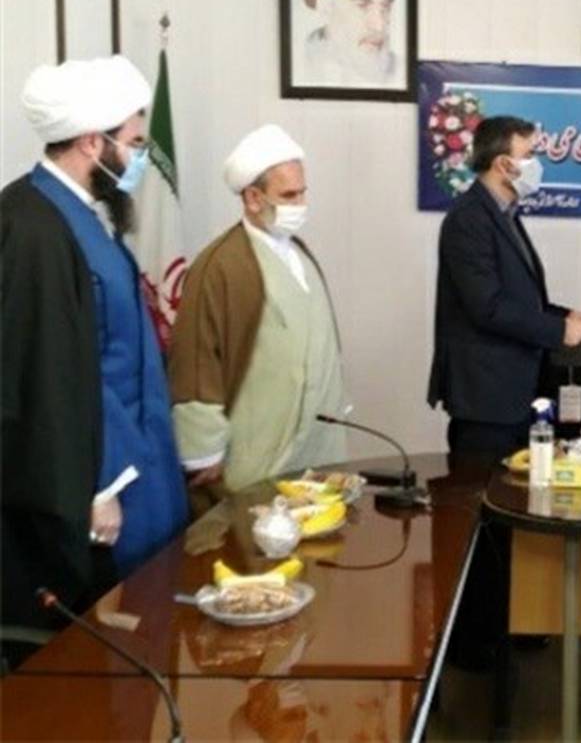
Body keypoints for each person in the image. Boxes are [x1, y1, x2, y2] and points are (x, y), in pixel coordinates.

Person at [2, 56, 188, 647]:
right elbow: (41, 375)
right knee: (103, 664)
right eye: (133, 143)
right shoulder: (31, 226)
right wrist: (93, 487)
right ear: (91, 142)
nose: (140, 158)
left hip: (137, 461)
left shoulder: (82, 213)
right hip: (96, 487)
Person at [170, 125, 347, 515]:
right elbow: (196, 362)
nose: (300, 204)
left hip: (314, 448)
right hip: (256, 452)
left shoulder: (298, 253)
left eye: (302, 192)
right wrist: (203, 450)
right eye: (288, 196)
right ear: (253, 197)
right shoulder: (220, 265)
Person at [427, 114, 581, 458]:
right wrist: (558, 330)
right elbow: (487, 307)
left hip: (514, 392)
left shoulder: (505, 214)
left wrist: (563, 315)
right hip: (485, 398)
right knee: (481, 487)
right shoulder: (469, 218)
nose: (537, 164)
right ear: (504, 164)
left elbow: (519, 296)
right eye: (529, 155)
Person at [298, 0, 405, 86]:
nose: (379, 26)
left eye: (386, 6)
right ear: (324, 5)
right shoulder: (299, 70)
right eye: (362, 5)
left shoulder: (403, 74)